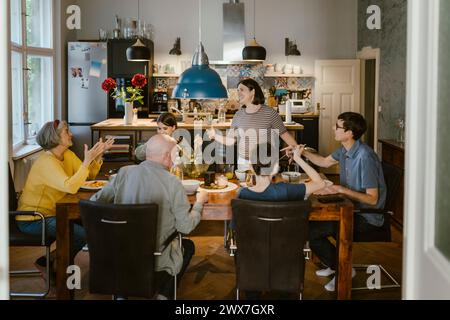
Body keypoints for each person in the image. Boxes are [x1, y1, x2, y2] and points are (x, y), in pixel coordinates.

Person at [90, 134, 209, 300]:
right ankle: (163, 294)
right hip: (157, 257)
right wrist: (199, 203)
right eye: (176, 154)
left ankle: (121, 293)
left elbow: (95, 203)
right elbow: (185, 227)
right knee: (188, 246)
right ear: (167, 156)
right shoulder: (172, 183)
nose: (177, 158)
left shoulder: (123, 173)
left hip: (120, 254)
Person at [300, 112, 386, 292]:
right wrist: (301, 152)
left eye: (338, 127)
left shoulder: (365, 157)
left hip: (368, 217)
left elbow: (373, 199)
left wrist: (340, 189)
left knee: (311, 231)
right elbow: (323, 162)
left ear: (349, 133)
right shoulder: (345, 149)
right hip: (351, 208)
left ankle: (344, 271)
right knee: (310, 224)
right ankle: (334, 264)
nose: (333, 128)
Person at [16, 120, 114, 278]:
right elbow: (70, 187)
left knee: (92, 224)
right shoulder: (46, 162)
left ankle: (50, 262)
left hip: (54, 212)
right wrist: (87, 160)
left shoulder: (66, 154)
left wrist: (97, 155)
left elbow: (88, 175)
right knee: (84, 234)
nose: (71, 134)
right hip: (33, 219)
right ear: (55, 137)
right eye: (67, 131)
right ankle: (55, 267)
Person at [231, 142, 326, 299]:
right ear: (275, 168)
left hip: (253, 259)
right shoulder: (286, 190)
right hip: (285, 258)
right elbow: (320, 183)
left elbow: (236, 229)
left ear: (251, 167)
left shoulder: (242, 194)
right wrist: (298, 158)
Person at [207, 78, 298, 170]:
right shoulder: (238, 115)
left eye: (241, 90)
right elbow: (230, 141)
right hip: (243, 162)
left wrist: (296, 152)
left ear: (252, 92)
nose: (238, 93)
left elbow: (286, 136)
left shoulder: (270, 113)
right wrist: (215, 136)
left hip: (265, 162)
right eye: (237, 90)